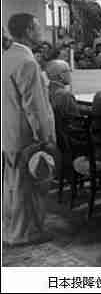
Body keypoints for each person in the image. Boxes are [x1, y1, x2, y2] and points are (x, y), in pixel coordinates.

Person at [3, 13, 56, 246]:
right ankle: (24, 233)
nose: (41, 30)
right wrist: (45, 139)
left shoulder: (7, 57)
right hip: (25, 134)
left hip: (8, 131)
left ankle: (11, 229)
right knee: (28, 187)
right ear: (28, 31)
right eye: (38, 26)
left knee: (12, 184)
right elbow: (35, 107)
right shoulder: (26, 62)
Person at [46, 60, 80, 154]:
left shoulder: (44, 92)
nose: (70, 74)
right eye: (69, 71)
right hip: (67, 146)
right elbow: (76, 125)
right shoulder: (65, 95)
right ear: (61, 75)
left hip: (52, 143)